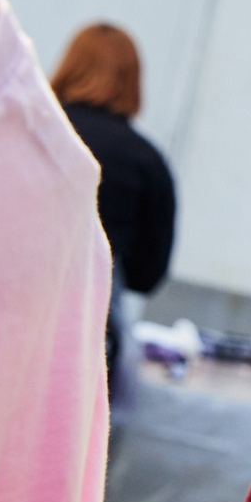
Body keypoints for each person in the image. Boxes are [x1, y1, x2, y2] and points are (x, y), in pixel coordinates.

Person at [52, 22, 178, 377]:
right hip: (87, 335)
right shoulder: (145, 161)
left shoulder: (30, 128)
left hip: (3, 311)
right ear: (132, 82)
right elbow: (146, 275)